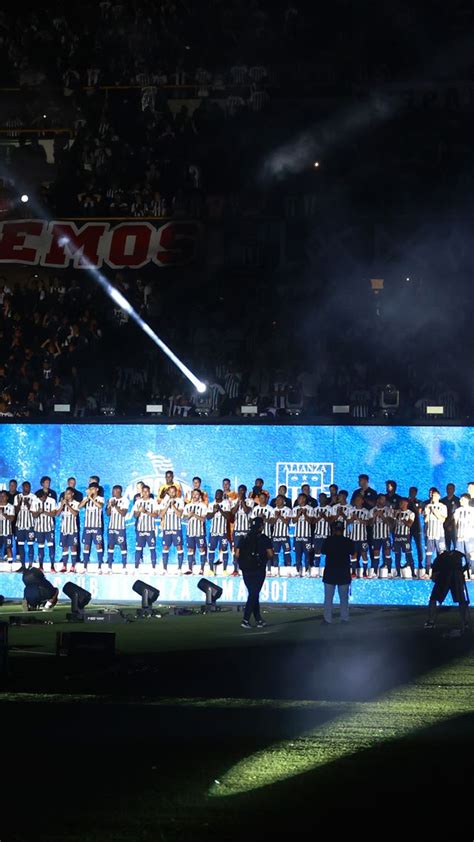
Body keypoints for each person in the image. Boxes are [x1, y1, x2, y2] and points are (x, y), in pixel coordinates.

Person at [235, 517, 273, 629]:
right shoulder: (264, 538)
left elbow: (237, 554)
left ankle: (259, 620)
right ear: (261, 526)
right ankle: (245, 620)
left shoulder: (244, 537)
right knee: (254, 594)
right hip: (258, 569)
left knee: (253, 593)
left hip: (246, 570)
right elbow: (270, 554)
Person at [425, 549, 471, 632]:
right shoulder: (459, 555)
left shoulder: (441, 557)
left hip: (446, 577)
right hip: (454, 577)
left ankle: (431, 621)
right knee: (461, 600)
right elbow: (466, 566)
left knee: (433, 598)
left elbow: (434, 574)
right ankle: (465, 621)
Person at [321, 522, 355, 624]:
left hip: (330, 572)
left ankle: (328, 619)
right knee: (344, 598)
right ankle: (344, 618)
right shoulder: (348, 541)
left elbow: (323, 551)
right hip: (343, 572)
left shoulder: (328, 540)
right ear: (343, 530)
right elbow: (352, 552)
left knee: (328, 599)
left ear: (333, 529)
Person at [79, 482, 105, 571]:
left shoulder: (100, 498)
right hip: (87, 526)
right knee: (86, 545)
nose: (90, 490)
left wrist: (91, 498)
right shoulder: (86, 499)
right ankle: (85, 566)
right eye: (89, 489)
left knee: (98, 545)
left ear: (97, 489)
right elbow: (79, 506)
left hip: (96, 526)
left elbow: (100, 506)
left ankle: (100, 566)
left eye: (92, 489)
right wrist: (87, 498)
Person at [133, 485, 159, 572]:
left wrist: (146, 512)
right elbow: (135, 516)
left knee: (152, 549)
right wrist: (139, 512)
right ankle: (136, 568)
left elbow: (156, 515)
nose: (145, 493)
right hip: (140, 529)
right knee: (138, 548)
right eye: (143, 491)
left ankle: (154, 568)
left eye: (147, 491)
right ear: (141, 492)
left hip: (150, 529)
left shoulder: (153, 502)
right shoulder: (138, 502)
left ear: (149, 492)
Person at [159, 485, 185, 572]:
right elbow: (160, 515)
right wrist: (167, 505)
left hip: (176, 528)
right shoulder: (164, 501)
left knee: (179, 547)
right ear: (168, 492)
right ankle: (164, 569)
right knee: (165, 547)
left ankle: (179, 568)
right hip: (167, 528)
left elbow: (179, 514)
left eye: (174, 491)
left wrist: (173, 506)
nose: (172, 493)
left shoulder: (180, 501)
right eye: (170, 491)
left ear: (176, 492)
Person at [182, 489, 208, 574]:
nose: (195, 496)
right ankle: (190, 568)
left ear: (199, 496)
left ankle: (202, 569)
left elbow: (203, 519)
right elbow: (184, 518)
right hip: (190, 532)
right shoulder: (187, 506)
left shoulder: (203, 506)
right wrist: (189, 515)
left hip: (199, 532)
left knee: (201, 549)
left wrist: (194, 514)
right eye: (193, 494)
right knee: (190, 550)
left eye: (197, 494)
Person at [230, 485, 254, 576]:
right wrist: (238, 502)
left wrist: (242, 502)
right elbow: (232, 512)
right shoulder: (233, 501)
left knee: (247, 550)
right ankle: (235, 569)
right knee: (236, 550)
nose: (241, 492)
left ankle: (247, 569)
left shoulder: (250, 501)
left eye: (243, 491)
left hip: (246, 530)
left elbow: (247, 511)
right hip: (237, 530)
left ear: (245, 491)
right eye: (239, 491)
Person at [423, 489, 447, 574]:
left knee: (441, 554)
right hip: (430, 533)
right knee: (428, 554)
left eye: (436, 496)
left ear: (439, 497)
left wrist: (435, 511)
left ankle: (441, 571)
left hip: (439, 534)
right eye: (433, 496)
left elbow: (442, 519)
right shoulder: (427, 506)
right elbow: (425, 520)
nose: (434, 497)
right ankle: (427, 572)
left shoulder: (443, 506)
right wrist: (428, 512)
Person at [32, 489, 57, 570]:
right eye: (40, 498)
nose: (41, 499)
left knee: (51, 546)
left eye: (43, 497)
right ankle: (41, 566)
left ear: (45, 495)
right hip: (39, 528)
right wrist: (39, 512)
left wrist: (45, 512)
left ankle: (52, 566)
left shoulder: (52, 501)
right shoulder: (35, 501)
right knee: (40, 546)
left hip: (49, 528)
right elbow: (34, 515)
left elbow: (54, 514)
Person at [207, 489, 231, 572]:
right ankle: (211, 570)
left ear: (222, 495)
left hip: (222, 531)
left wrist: (220, 509)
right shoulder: (211, 504)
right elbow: (208, 517)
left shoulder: (226, 503)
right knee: (211, 549)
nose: (217, 495)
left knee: (224, 549)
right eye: (216, 493)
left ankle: (225, 570)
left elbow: (228, 517)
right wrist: (214, 511)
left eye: (219, 493)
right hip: (213, 531)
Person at [106, 485, 129, 572]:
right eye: (112, 491)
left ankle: (124, 567)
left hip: (120, 528)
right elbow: (108, 513)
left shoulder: (125, 500)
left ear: (119, 491)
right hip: (111, 527)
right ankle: (109, 567)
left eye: (114, 491)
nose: (112, 492)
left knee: (123, 546)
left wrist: (115, 506)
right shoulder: (111, 499)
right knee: (110, 546)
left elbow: (123, 513)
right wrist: (109, 506)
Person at [347, 493, 371, 577]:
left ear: (362, 501)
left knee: (364, 554)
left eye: (359, 500)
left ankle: (365, 572)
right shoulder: (351, 510)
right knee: (353, 554)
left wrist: (358, 519)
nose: (357, 501)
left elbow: (367, 523)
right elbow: (347, 522)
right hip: (353, 537)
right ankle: (353, 572)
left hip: (363, 537)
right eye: (356, 500)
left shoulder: (366, 511)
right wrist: (352, 519)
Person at [370, 493, 393, 575]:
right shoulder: (372, 510)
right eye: (381, 499)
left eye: (384, 499)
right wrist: (374, 516)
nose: (383, 501)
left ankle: (390, 572)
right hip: (376, 536)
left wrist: (382, 516)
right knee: (376, 554)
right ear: (378, 500)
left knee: (387, 553)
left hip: (385, 536)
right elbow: (370, 524)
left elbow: (390, 523)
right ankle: (375, 572)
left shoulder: (388, 510)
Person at [14, 481, 36, 568]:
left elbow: (34, 511)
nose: (27, 488)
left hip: (30, 524)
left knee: (30, 545)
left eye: (29, 487)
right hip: (19, 525)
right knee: (21, 545)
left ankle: (30, 565)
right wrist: (20, 503)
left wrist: (28, 504)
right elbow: (16, 511)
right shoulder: (17, 497)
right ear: (22, 487)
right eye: (26, 486)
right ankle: (23, 565)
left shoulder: (33, 497)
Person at [57, 488, 80, 572]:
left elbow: (75, 513)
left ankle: (73, 566)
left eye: (68, 494)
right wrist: (62, 505)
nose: (66, 495)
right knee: (64, 548)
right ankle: (64, 566)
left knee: (73, 547)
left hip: (72, 529)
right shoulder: (61, 503)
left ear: (72, 494)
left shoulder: (76, 503)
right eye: (65, 494)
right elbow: (57, 514)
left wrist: (67, 505)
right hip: (64, 529)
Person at [292, 492, 314, 576]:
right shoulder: (295, 509)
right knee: (298, 554)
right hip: (297, 535)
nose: (298, 499)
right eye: (298, 498)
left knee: (307, 554)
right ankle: (298, 571)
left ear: (304, 499)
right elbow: (293, 521)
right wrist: (298, 514)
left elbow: (310, 521)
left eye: (300, 498)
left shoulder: (310, 508)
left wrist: (304, 514)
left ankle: (307, 571)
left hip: (307, 536)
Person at [393, 498, 415, 576]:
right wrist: (394, 517)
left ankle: (413, 573)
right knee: (397, 555)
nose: (400, 504)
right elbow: (393, 525)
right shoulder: (396, 512)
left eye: (402, 503)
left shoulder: (411, 513)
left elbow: (409, 524)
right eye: (400, 503)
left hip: (406, 537)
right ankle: (398, 573)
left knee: (409, 554)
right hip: (397, 536)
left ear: (406, 503)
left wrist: (402, 519)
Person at [271, 494, 292, 573]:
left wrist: (279, 516)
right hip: (275, 535)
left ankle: (288, 570)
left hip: (285, 535)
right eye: (276, 500)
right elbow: (272, 523)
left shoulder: (288, 510)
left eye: (279, 500)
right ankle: (275, 570)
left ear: (284, 502)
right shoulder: (273, 510)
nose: (277, 501)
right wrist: (276, 517)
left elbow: (287, 522)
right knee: (275, 553)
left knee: (287, 552)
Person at [453, 494, 474, 574]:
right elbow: (456, 522)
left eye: (462, 499)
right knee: (458, 555)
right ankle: (460, 572)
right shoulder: (458, 510)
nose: (460, 501)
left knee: (472, 553)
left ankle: (472, 572)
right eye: (460, 499)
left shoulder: (472, 510)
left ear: (467, 500)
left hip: (470, 535)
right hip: (460, 536)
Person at [312, 493, 331, 573]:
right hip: (318, 533)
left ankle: (328, 568)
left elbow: (331, 521)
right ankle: (316, 569)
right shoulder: (315, 509)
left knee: (328, 552)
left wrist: (324, 516)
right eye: (320, 498)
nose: (321, 499)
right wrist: (320, 517)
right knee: (317, 551)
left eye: (323, 498)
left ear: (326, 499)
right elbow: (312, 522)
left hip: (327, 533)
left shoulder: (330, 509)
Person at [408, 486, 424, 570]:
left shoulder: (419, 502)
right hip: (407, 527)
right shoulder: (405, 501)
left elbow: (418, 512)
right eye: (410, 491)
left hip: (416, 527)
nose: (411, 493)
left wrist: (412, 503)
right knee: (407, 546)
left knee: (418, 546)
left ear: (416, 493)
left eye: (413, 492)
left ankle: (420, 563)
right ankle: (409, 562)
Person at [441, 483, 460, 551]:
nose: (449, 490)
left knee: (456, 545)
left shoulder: (458, 500)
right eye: (448, 488)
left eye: (451, 488)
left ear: (454, 490)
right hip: (444, 526)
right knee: (446, 546)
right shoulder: (442, 501)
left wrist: (450, 524)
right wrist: (445, 524)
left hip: (454, 526)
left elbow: (456, 513)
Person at [0, 490, 15, 565]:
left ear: (7, 497)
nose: (2, 498)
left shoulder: (10, 507)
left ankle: (10, 566)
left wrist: (4, 514)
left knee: (8, 548)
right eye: (0, 496)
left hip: (7, 532)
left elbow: (12, 519)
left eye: (3, 496)